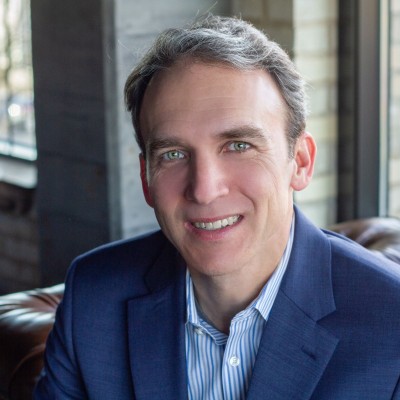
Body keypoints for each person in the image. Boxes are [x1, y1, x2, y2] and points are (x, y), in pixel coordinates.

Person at [34, 15, 400, 400]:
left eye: (239, 146)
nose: (204, 190)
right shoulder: (93, 299)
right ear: (146, 178)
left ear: (301, 162)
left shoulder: (392, 324)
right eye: (173, 154)